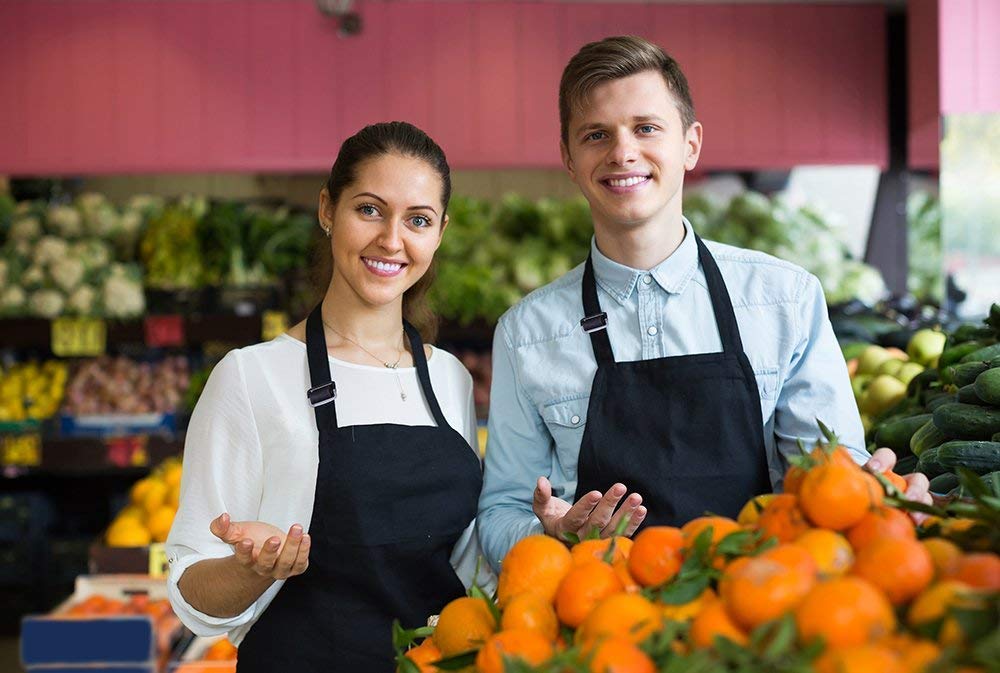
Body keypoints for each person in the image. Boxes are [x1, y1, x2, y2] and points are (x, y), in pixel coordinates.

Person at [477, 36, 931, 569]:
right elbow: (502, 513)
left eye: (646, 128)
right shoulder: (526, 333)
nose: (622, 152)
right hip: (601, 623)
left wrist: (874, 495)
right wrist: (549, 536)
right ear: (569, 159)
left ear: (690, 144)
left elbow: (830, 476)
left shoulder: (785, 300)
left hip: (762, 606)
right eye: (596, 134)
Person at [166, 121, 493, 672]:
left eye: (418, 220)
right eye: (369, 209)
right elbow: (192, 596)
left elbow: (466, 567)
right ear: (327, 210)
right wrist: (253, 569)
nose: (392, 240)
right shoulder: (252, 377)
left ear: (439, 234)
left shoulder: (450, 379)